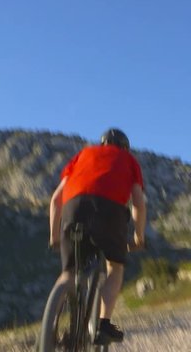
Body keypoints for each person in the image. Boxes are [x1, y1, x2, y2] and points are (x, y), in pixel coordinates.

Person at [48, 128, 146, 343]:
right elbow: (138, 202)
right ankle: (103, 324)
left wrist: (54, 237)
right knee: (114, 266)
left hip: (73, 208)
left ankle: (49, 329)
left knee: (68, 273)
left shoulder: (82, 155)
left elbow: (56, 199)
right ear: (124, 147)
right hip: (109, 212)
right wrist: (139, 238)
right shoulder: (128, 160)